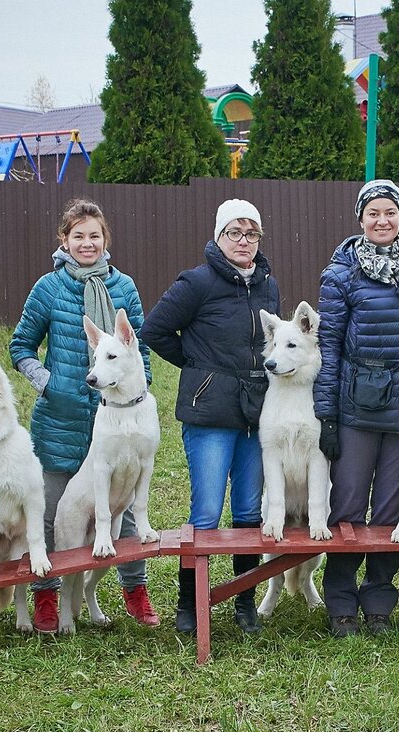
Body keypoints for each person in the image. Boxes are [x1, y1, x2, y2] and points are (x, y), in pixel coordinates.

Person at [9, 199, 159, 633]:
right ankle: (47, 598)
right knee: (53, 512)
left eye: (94, 235)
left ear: (104, 240)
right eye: (78, 236)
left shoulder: (123, 287)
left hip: (117, 419)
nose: (87, 243)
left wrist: (140, 394)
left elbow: (139, 350)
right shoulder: (48, 288)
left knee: (124, 510)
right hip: (62, 420)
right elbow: (21, 345)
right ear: (65, 241)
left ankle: (136, 591)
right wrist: (47, 382)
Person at [142, 199, 279, 636]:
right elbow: (154, 330)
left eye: (251, 233)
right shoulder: (196, 283)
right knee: (205, 512)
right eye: (234, 233)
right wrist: (197, 366)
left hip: (256, 411)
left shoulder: (267, 285)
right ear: (219, 236)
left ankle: (244, 602)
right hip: (209, 414)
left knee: (247, 511)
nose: (244, 241)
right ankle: (189, 602)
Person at [314, 179, 399, 638]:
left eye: (390, 213)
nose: (382, 221)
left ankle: (379, 601)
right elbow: (328, 346)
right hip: (354, 406)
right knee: (346, 506)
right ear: (360, 219)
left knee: (391, 508)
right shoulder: (340, 273)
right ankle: (341, 602)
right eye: (373, 213)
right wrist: (327, 414)